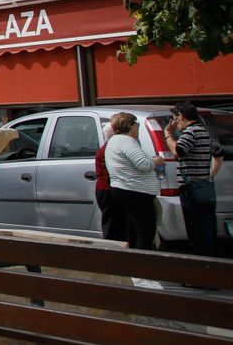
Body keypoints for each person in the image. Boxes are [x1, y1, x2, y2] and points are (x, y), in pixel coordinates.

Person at [165, 101, 223, 257]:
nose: (173, 123)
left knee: (196, 231)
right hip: (204, 187)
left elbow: (178, 151)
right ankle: (210, 265)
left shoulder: (190, 132)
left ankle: (202, 270)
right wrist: (210, 175)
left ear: (180, 117)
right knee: (207, 230)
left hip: (191, 189)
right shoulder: (203, 131)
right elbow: (218, 152)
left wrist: (168, 134)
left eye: (174, 118)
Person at [104, 111, 163, 250]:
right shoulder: (127, 141)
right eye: (136, 124)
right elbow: (143, 165)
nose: (137, 127)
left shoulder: (114, 141)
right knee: (145, 232)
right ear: (130, 125)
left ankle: (133, 263)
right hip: (136, 191)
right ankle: (142, 265)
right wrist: (156, 162)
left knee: (133, 229)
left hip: (125, 189)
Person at [93, 121, 126, 243]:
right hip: (108, 190)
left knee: (114, 222)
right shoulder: (109, 149)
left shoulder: (106, 148)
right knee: (112, 223)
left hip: (106, 189)